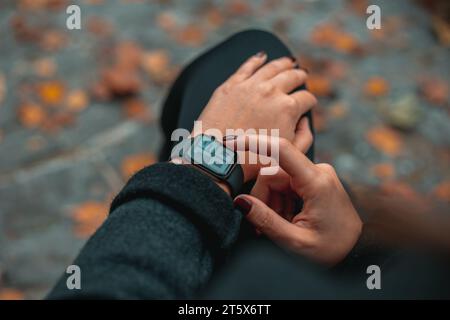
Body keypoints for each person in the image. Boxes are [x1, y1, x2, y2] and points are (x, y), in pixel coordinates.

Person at [47, 30, 450, 300]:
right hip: (323, 256)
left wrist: (199, 169)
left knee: (251, 60)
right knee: (262, 61)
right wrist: (353, 249)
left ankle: (171, 170)